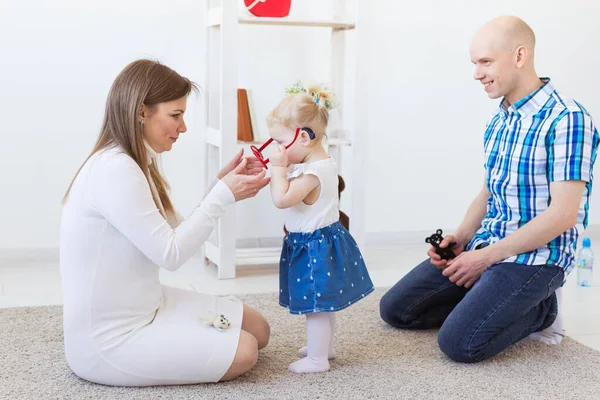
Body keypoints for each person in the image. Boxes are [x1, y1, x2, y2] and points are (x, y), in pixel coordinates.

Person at [379, 16, 600, 363]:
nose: (476, 73)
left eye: (485, 62)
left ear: (519, 55)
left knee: (460, 344)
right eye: (474, 63)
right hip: (490, 245)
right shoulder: (499, 120)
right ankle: (490, 298)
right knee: (395, 310)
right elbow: (487, 193)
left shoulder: (567, 119)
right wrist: (463, 239)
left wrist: (484, 258)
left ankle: (543, 309)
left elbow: (563, 215)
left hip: (538, 259)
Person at [60, 59, 271, 386]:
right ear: (141, 111)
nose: (183, 127)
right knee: (245, 350)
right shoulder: (116, 171)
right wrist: (223, 196)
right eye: (176, 115)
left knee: (259, 329)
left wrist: (219, 189)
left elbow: (176, 234)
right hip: (112, 339)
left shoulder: (136, 163)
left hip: (150, 303)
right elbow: (171, 255)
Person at [265, 83, 374, 373]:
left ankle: (317, 358)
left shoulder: (313, 173)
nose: (275, 149)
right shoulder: (316, 163)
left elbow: (281, 198)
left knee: (315, 305)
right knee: (322, 303)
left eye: (279, 141)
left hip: (314, 247)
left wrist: (277, 168)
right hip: (319, 242)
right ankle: (323, 346)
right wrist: (278, 168)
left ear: (302, 138)